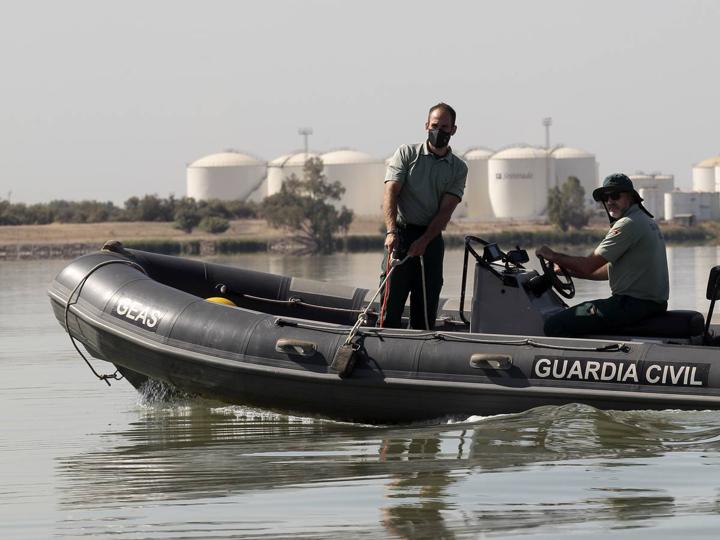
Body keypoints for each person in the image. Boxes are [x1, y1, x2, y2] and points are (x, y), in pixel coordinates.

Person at [536, 173, 669, 337]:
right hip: (649, 305)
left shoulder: (628, 224)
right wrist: (569, 271)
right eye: (606, 198)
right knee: (578, 312)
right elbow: (608, 270)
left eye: (615, 195)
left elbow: (587, 265)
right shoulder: (645, 221)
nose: (610, 201)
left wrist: (552, 255)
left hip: (629, 305)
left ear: (630, 197)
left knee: (555, 323)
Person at [380, 102, 468, 329]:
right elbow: (391, 191)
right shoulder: (407, 154)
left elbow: (446, 210)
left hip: (431, 238)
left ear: (453, 130)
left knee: (426, 307)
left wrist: (425, 241)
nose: (439, 131)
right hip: (401, 235)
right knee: (391, 305)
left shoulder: (458, 168)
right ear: (427, 126)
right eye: (435, 125)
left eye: (445, 127)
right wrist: (391, 232)